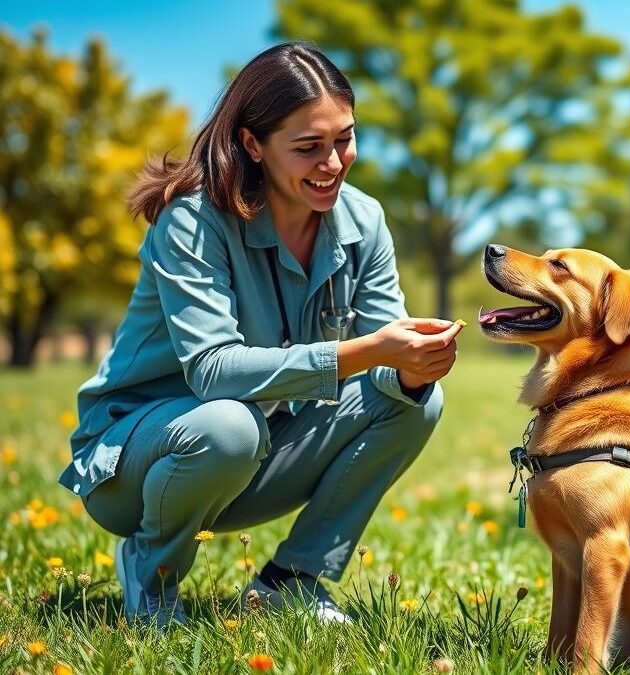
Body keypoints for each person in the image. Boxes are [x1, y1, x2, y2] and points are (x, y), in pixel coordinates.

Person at [58, 43, 461, 628]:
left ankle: (291, 580)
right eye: (308, 147)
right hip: (134, 469)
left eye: (345, 139)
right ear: (253, 144)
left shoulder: (364, 220)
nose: (333, 163)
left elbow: (384, 353)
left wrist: (412, 367)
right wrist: (370, 349)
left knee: (412, 401)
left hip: (252, 455)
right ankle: (150, 574)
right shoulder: (192, 219)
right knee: (229, 425)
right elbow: (213, 371)